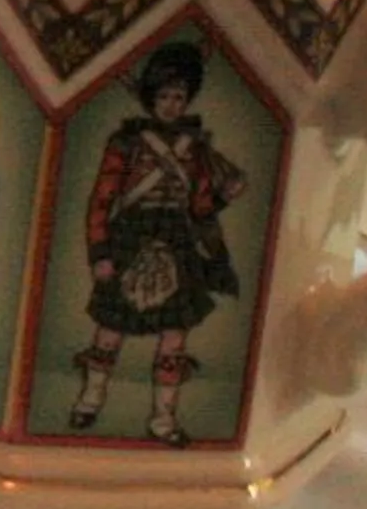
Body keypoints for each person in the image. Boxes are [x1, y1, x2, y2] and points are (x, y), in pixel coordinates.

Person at [65, 41, 248, 445]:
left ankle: (163, 420)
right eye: (164, 95)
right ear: (151, 98)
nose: (171, 104)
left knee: (174, 337)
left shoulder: (195, 147)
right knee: (110, 329)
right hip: (130, 237)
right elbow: (102, 201)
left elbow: (199, 208)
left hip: (177, 242)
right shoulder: (126, 143)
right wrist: (100, 253)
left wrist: (222, 197)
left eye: (179, 96)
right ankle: (90, 400)